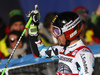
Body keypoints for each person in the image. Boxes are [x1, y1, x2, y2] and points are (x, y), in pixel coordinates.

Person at [27, 9, 94, 75]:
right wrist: (33, 27)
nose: (55, 36)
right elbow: (38, 52)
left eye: (57, 31)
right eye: (54, 31)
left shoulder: (83, 54)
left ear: (69, 32)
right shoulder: (62, 50)